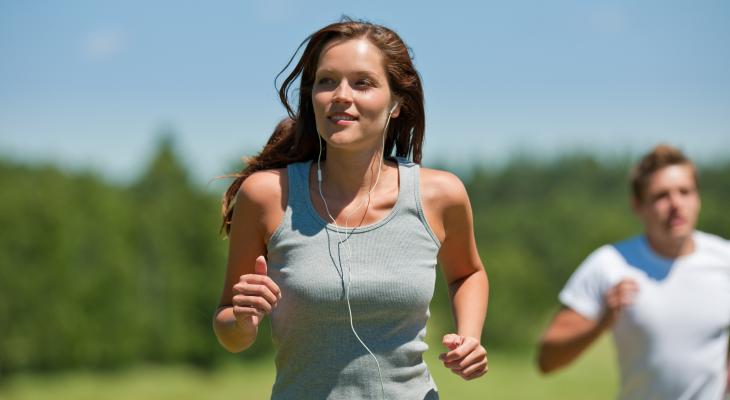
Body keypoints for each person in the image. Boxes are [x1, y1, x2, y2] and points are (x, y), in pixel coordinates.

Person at [212, 18, 488, 399]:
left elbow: (468, 273)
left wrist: (470, 337)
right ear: (312, 98)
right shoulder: (266, 196)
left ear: (395, 103)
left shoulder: (440, 195)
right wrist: (243, 322)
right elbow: (229, 330)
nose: (341, 94)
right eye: (327, 81)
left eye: (362, 82)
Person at [536, 144, 730, 399]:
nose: (676, 204)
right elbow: (547, 360)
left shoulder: (724, 258)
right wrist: (601, 322)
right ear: (638, 206)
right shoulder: (610, 264)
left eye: (685, 192)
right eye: (661, 196)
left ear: (698, 198)